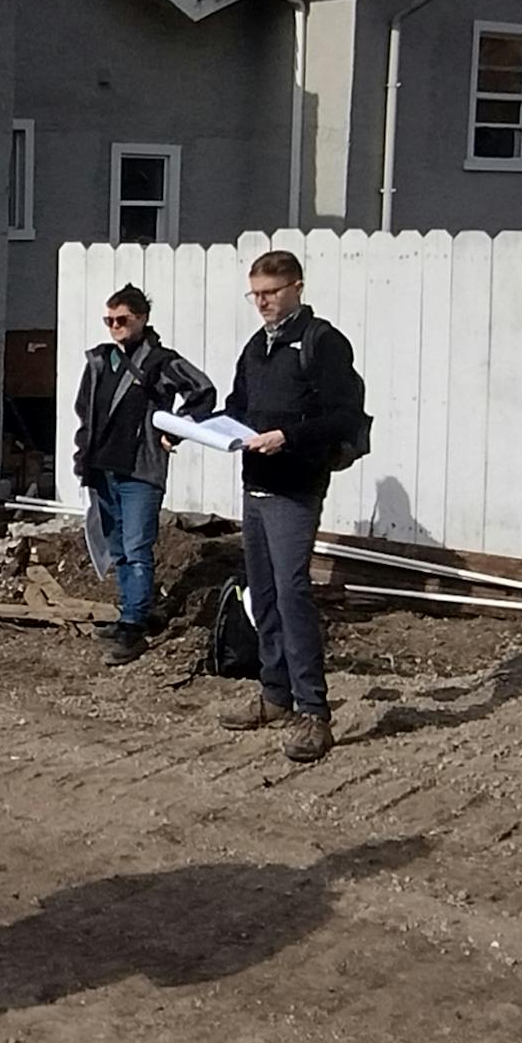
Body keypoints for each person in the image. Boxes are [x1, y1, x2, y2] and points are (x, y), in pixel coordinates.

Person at [213, 252, 364, 762]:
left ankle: (313, 710)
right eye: (255, 294)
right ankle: (274, 693)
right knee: (264, 594)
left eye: (271, 293)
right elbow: (239, 406)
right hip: (255, 485)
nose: (262, 303)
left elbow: (343, 416)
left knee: (293, 594)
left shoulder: (322, 343)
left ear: (296, 287)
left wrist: (288, 437)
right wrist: (199, 428)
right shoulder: (257, 347)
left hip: (296, 487)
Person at [71, 283, 218, 668]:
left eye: (122, 320)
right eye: (109, 320)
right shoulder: (99, 360)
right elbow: (85, 412)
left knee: (137, 547)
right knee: (117, 546)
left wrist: (176, 430)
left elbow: (203, 391)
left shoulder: (160, 362)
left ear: (142, 319)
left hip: (140, 467)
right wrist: (82, 455)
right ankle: (131, 612)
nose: (114, 327)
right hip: (102, 466)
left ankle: (133, 626)